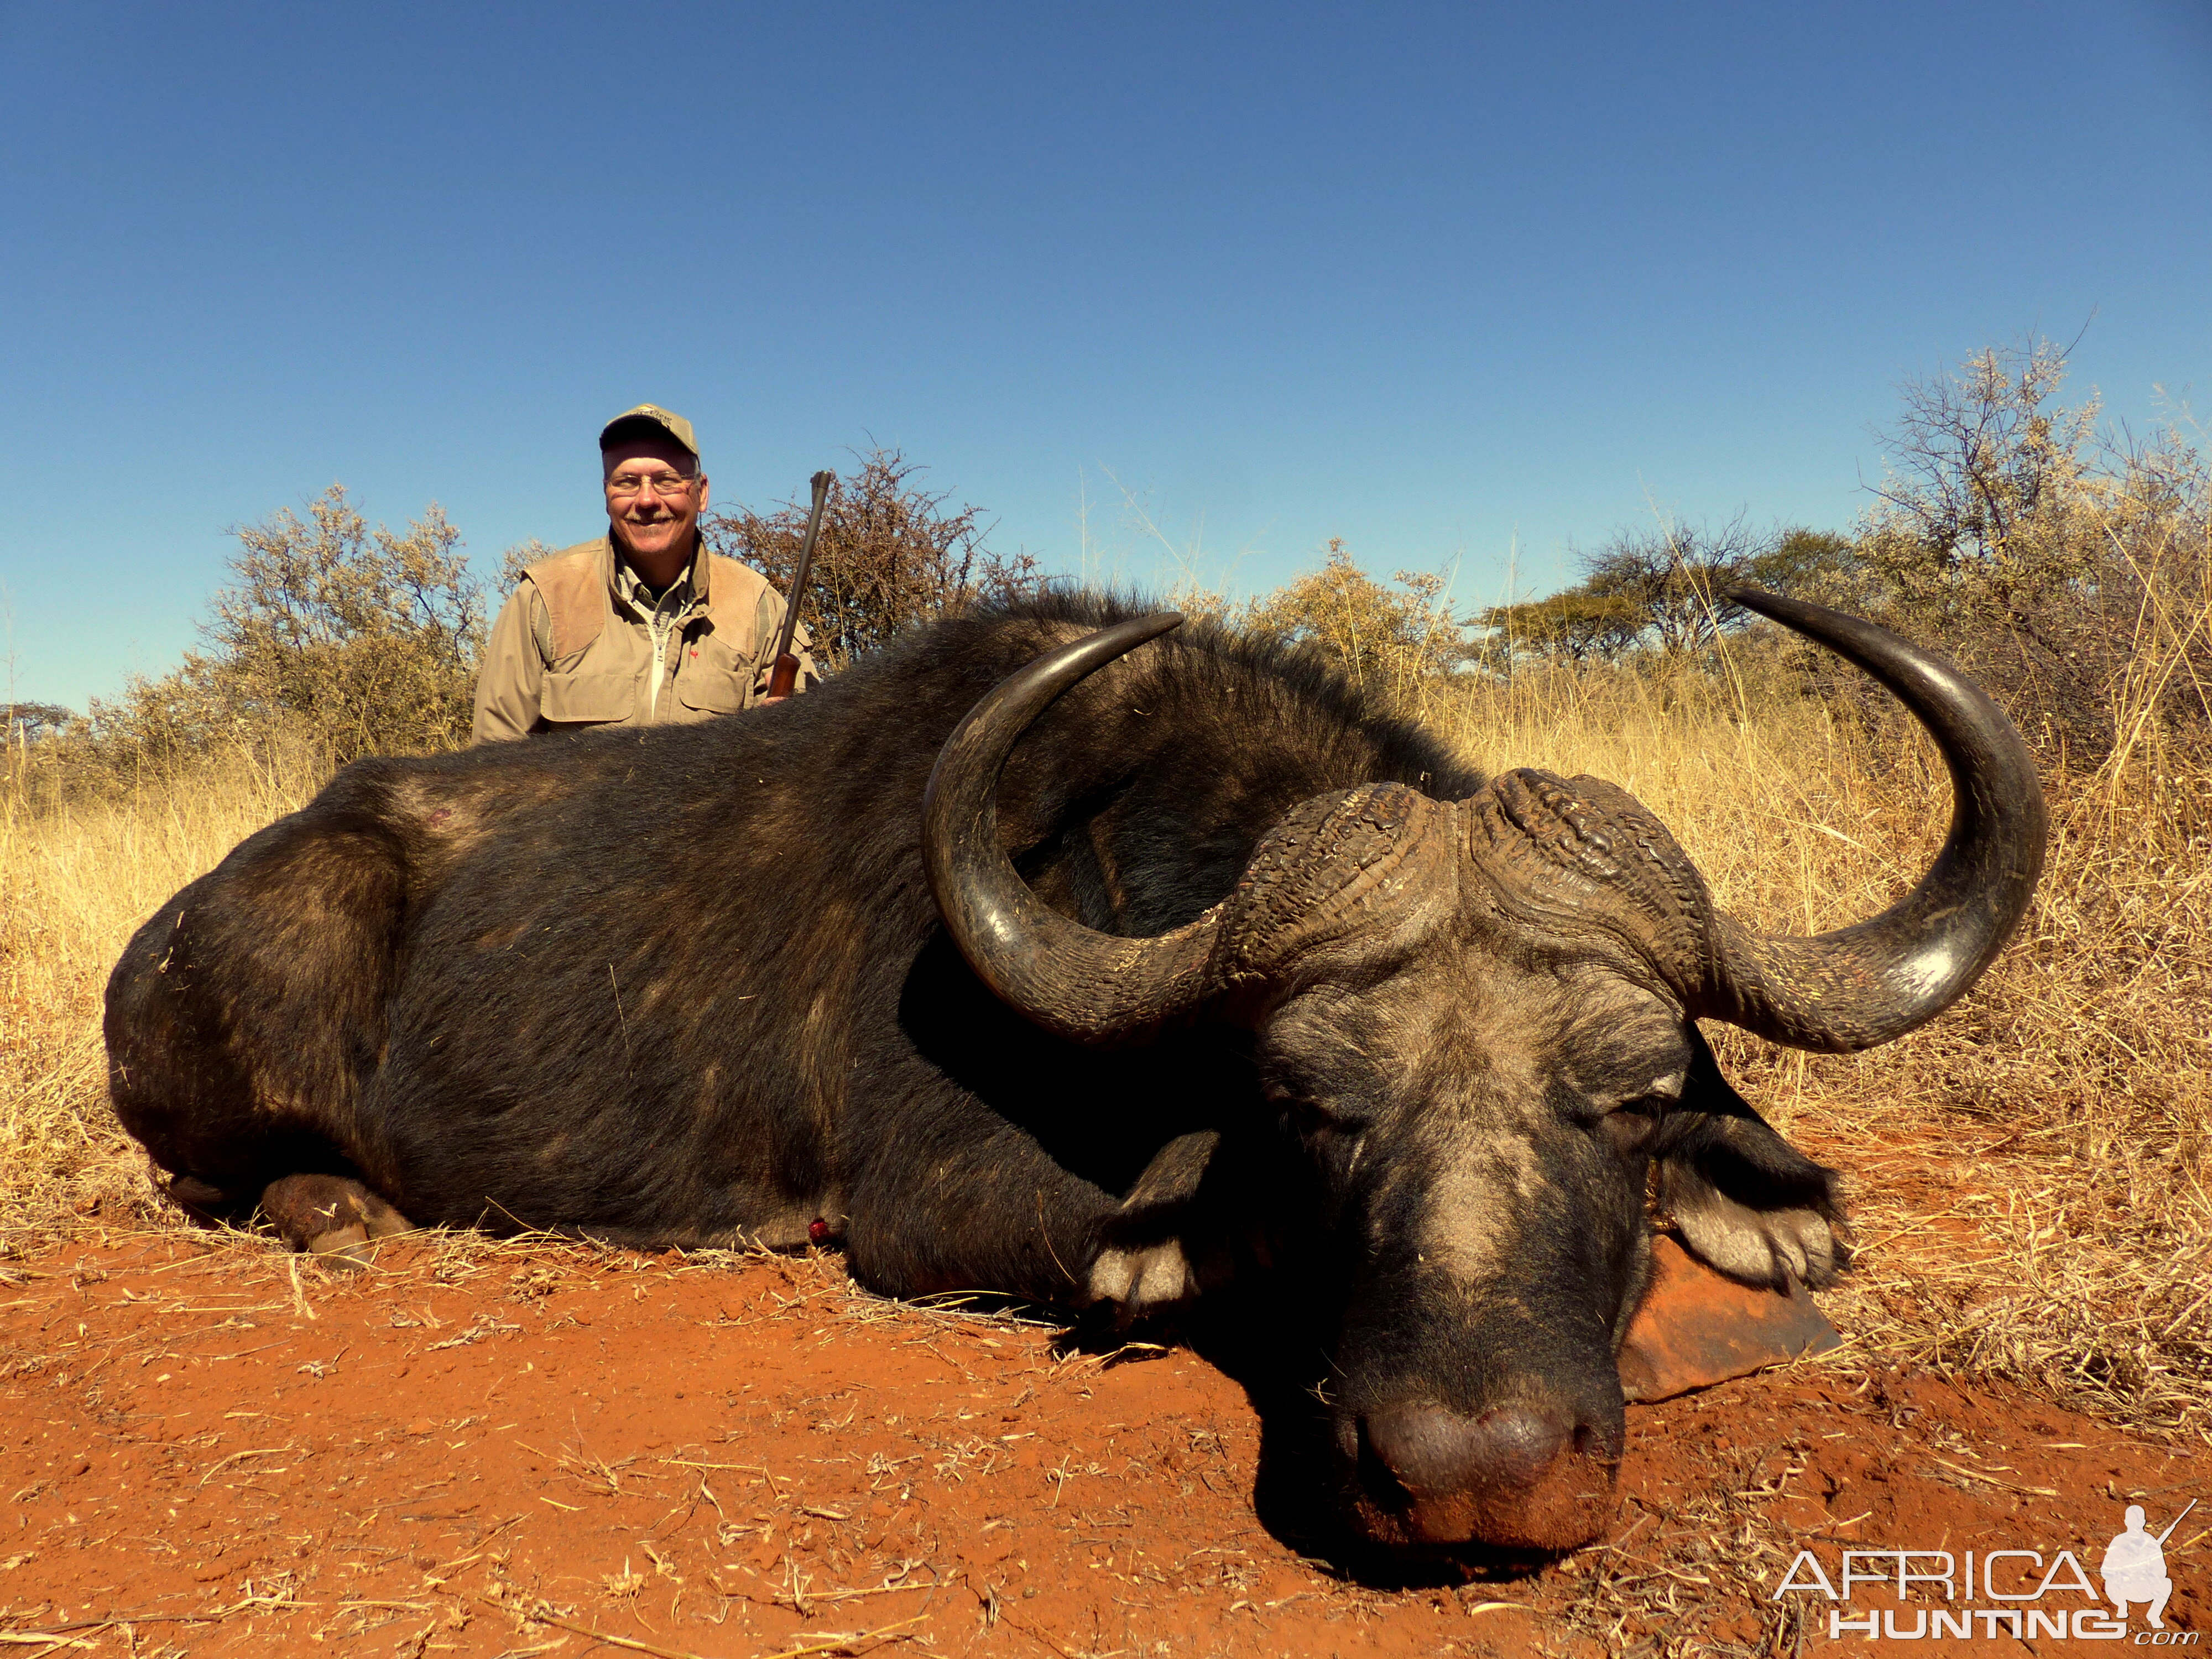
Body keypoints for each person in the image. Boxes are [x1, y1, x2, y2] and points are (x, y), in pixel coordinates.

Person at [472, 404, 817, 743]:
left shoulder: (760, 607)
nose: (647, 500)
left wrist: (787, 739)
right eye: (627, 482)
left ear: (702, 492)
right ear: (606, 493)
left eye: (667, 481)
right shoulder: (544, 598)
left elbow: (805, 770)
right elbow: (491, 767)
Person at [2101, 1505, 2173, 1629]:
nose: (2136, 1524)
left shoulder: (2150, 1542)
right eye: (2133, 1521)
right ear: (2126, 1522)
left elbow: (2162, 1571)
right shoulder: (2119, 1541)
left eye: (2138, 1521)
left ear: (2143, 1522)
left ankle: (2154, 1615)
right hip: (2123, 1588)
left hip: (2144, 1587)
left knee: (2166, 1583)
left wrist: (2146, 1569)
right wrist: (2123, 1569)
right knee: (2111, 1582)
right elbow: (2106, 1571)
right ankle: (2122, 1606)